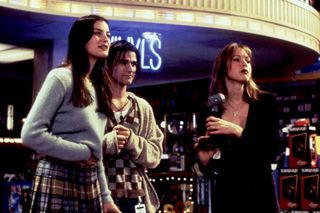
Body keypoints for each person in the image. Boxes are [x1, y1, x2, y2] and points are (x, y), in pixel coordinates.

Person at [21, 15, 120, 213]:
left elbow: (95, 148)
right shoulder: (61, 77)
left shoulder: (99, 86)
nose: (106, 39)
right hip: (58, 174)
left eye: (108, 34)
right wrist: (80, 153)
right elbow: (30, 134)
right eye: (97, 33)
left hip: (88, 180)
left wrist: (106, 197)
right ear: (81, 38)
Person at [194, 42, 280, 213]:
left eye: (247, 60)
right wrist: (205, 161)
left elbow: (272, 151)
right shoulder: (210, 108)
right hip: (228, 196)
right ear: (222, 66)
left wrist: (237, 131)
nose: (244, 64)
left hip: (261, 195)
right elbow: (212, 169)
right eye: (237, 59)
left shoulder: (266, 103)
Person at [103, 40, 164, 213]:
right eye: (123, 62)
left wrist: (133, 141)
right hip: (100, 192)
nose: (130, 68)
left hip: (136, 194)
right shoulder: (93, 104)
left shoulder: (141, 107)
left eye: (134, 63)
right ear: (108, 65)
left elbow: (155, 155)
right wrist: (108, 143)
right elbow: (80, 149)